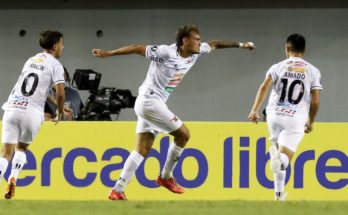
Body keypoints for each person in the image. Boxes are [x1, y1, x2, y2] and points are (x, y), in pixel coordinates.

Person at [92, 24, 255, 200]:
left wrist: (241, 44)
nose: (200, 43)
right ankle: (166, 176)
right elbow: (137, 48)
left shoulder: (197, 52)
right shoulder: (165, 52)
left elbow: (215, 44)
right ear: (185, 41)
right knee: (184, 134)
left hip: (152, 103)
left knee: (142, 149)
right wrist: (109, 53)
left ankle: (118, 189)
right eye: (197, 39)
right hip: (149, 101)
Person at [248, 33, 322, 201]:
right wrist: (311, 121)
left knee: (278, 161)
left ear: (287, 49)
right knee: (283, 160)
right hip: (295, 119)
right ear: (304, 50)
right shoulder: (312, 71)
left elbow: (264, 87)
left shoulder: (277, 66)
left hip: (273, 115)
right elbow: (316, 101)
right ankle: (279, 159)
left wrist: (254, 109)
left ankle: (279, 195)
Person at [0, 30, 66, 199]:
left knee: (5, 153)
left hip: (13, 107)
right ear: (55, 46)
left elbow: (33, 86)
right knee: (21, 148)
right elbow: (60, 93)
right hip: (32, 112)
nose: (63, 48)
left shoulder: (31, 60)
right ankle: (13, 178)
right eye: (62, 44)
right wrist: (59, 110)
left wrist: (53, 103)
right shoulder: (56, 65)